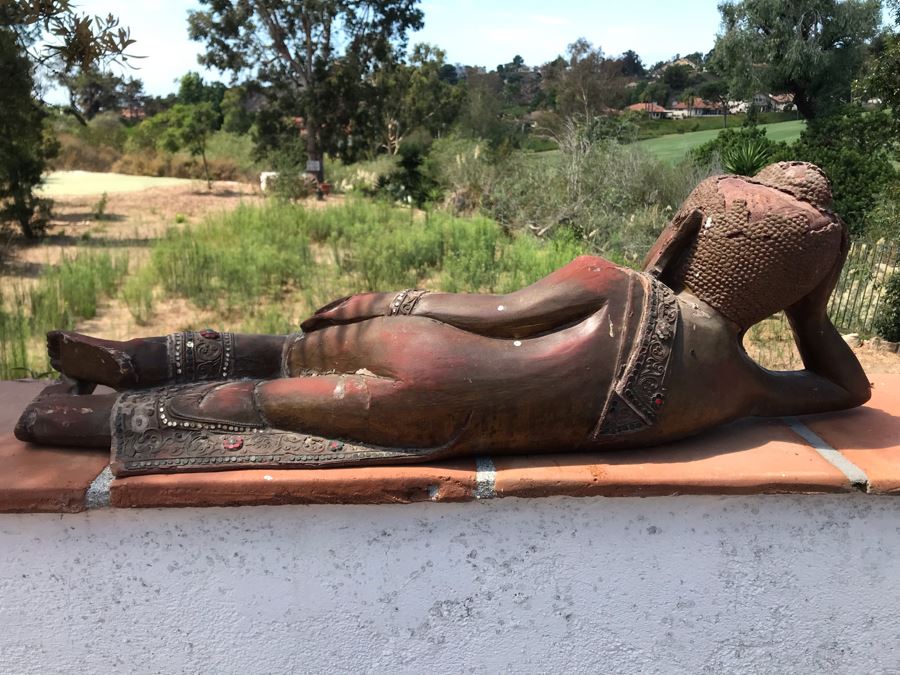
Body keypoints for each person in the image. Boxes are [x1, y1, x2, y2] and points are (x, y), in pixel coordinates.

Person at [14, 162, 870, 476]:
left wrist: (389, 301)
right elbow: (845, 384)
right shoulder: (740, 392)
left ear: (689, 230)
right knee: (268, 405)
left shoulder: (620, 283)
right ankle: (79, 418)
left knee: (283, 354)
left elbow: (497, 312)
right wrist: (812, 305)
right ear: (787, 288)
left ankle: (131, 356)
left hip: (433, 351)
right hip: (445, 413)